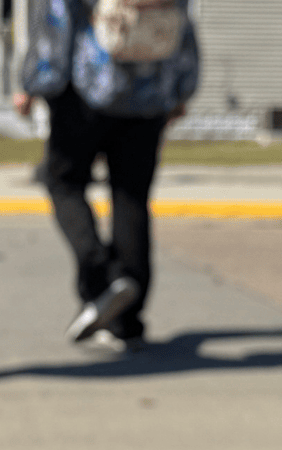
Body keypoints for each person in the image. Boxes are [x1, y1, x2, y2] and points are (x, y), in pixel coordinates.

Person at [15, 0, 200, 351]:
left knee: (63, 182)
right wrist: (180, 86)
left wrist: (35, 81)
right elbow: (183, 21)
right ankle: (126, 320)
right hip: (149, 91)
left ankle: (101, 280)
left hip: (87, 88)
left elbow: (55, 15)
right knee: (131, 197)